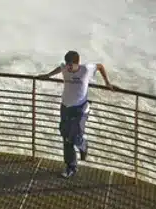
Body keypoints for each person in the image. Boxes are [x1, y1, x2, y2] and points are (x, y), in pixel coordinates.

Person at [39, 50, 113, 178]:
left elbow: (100, 66)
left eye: (70, 65)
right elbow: (60, 68)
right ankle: (71, 167)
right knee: (66, 138)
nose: (68, 67)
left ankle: (83, 145)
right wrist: (48, 75)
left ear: (77, 63)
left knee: (76, 136)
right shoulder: (65, 67)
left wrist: (107, 82)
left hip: (80, 108)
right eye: (67, 64)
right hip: (65, 107)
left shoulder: (86, 69)